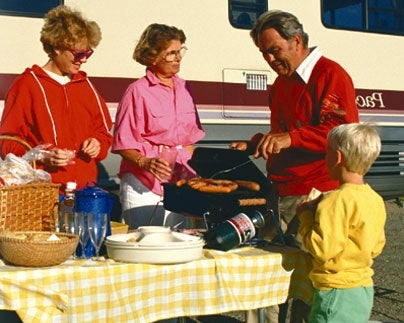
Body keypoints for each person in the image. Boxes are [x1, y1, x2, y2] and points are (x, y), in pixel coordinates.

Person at [229, 10, 360, 323]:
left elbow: (342, 133)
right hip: (280, 193)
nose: (270, 59)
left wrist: (289, 138)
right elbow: (286, 134)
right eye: (264, 53)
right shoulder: (280, 84)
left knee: (306, 284)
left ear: (297, 40)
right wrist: (258, 142)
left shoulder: (329, 74)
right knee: (267, 281)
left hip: (314, 195)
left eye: (274, 50)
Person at [0, 5, 113, 192]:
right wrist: (42, 156)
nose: (83, 60)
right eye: (78, 54)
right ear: (57, 47)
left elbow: (104, 131)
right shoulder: (27, 85)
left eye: (88, 53)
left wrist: (97, 143)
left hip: (85, 190)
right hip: (43, 192)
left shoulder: (86, 86)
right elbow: (6, 141)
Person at [111, 23, 205, 229]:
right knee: (146, 242)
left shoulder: (185, 88)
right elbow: (122, 143)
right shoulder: (137, 91)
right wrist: (145, 162)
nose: (178, 57)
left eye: (180, 51)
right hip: (142, 184)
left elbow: (190, 139)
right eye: (171, 53)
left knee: (180, 244)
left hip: (180, 184)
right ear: (153, 57)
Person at [296, 123, 386, 323]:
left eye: (326, 153)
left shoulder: (334, 201)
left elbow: (321, 249)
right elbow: (377, 246)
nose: (325, 159)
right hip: (362, 288)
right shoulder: (374, 199)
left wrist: (305, 217)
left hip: (336, 290)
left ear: (337, 157)